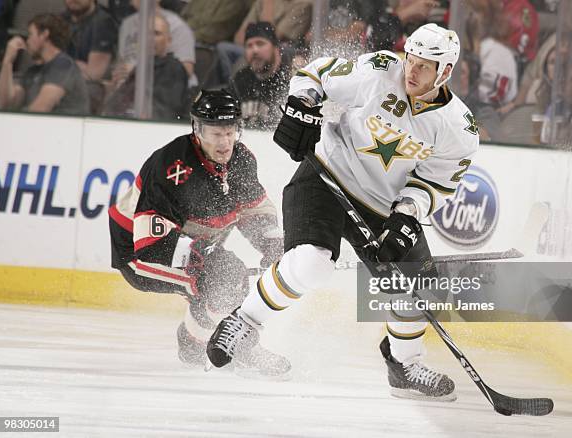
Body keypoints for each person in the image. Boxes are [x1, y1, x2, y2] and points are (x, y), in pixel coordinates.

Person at [206, 23, 480, 401]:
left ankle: (404, 365)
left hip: (384, 207)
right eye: (410, 60)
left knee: (416, 287)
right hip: (326, 177)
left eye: (424, 67)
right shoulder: (381, 71)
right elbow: (315, 75)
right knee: (312, 263)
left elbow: (435, 183)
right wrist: (302, 105)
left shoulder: (459, 129)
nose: (411, 72)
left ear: (446, 72)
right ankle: (244, 321)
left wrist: (405, 218)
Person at [108, 89, 290, 378]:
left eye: (230, 132)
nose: (225, 142)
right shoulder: (171, 165)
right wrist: (202, 256)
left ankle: (193, 343)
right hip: (138, 252)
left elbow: (253, 212)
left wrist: (272, 247)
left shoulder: (242, 160)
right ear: (197, 130)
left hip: (193, 245)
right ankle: (240, 347)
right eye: (216, 133)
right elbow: (149, 241)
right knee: (225, 275)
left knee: (224, 276)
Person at [0, 13, 89, 114]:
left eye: (30, 34)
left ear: (44, 34)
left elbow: (40, 110)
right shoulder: (32, 71)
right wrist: (7, 62)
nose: (27, 41)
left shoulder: (64, 66)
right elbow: (5, 105)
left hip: (66, 128)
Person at [102, 13, 188, 120]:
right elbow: (110, 109)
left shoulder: (173, 68)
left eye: (156, 33)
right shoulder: (138, 68)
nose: (150, 38)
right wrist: (113, 88)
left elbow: (162, 111)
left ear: (168, 41)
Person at [229, 22, 291, 130]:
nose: (255, 50)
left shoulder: (289, 78)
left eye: (260, 43)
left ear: (275, 47)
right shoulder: (240, 79)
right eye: (249, 46)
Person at [117, 0, 196, 79]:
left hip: (167, 87)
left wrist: (137, 72)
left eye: (156, 33)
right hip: (128, 86)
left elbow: (186, 71)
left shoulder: (177, 26)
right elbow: (122, 62)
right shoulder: (126, 24)